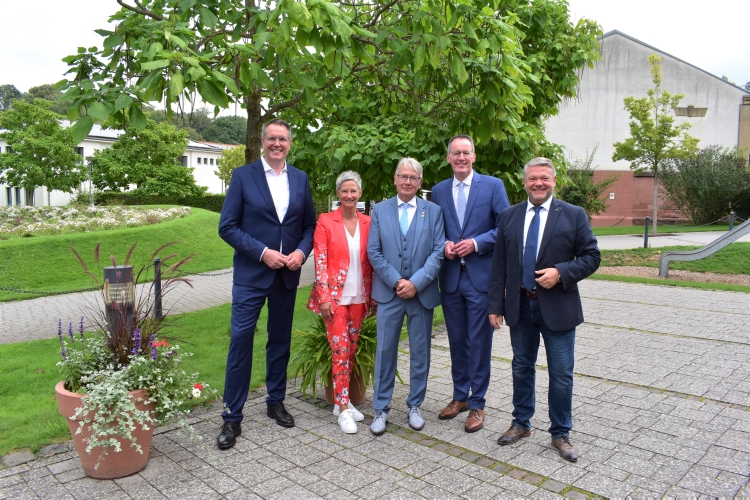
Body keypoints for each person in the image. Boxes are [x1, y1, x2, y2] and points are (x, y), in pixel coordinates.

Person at [487, 157, 600, 462]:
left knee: (561, 374)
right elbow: (499, 265)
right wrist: (495, 304)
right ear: (524, 182)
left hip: (558, 308)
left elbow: (592, 256)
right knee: (521, 367)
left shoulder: (573, 215)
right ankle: (521, 423)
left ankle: (560, 432)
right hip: (520, 306)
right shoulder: (509, 216)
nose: (538, 183)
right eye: (532, 178)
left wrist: (561, 272)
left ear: (553, 181)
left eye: (544, 178)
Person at [216, 118, 316, 450]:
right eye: (271, 138)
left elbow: (309, 227)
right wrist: (263, 253)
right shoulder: (243, 176)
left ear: (290, 142)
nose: (277, 144)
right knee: (241, 341)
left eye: (283, 139)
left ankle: (276, 401)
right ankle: (232, 418)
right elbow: (227, 227)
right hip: (251, 276)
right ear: (262, 141)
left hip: (287, 275)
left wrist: (302, 252)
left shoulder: (300, 179)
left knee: (280, 342)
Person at [430, 134, 510, 433]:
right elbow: (434, 230)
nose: (461, 158)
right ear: (448, 158)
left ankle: (478, 404)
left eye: (466, 153)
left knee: (480, 342)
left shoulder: (492, 186)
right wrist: (445, 245)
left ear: (474, 157)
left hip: (480, 279)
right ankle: (460, 397)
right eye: (455, 153)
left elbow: (505, 226)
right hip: (451, 279)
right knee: (456, 342)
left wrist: (476, 243)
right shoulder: (437, 191)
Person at [367, 157, 445, 435]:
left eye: (413, 178)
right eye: (403, 176)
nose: (408, 182)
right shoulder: (381, 210)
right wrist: (397, 280)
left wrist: (416, 282)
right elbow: (373, 251)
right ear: (395, 179)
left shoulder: (433, 211)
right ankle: (381, 408)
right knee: (385, 351)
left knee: (420, 353)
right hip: (389, 295)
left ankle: (414, 406)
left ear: (420, 182)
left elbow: (438, 252)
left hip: (421, 295)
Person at [307, 171, 375, 434]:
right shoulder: (325, 221)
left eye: (354, 191)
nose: (349, 195)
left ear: (360, 194)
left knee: (352, 351)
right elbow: (320, 261)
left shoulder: (369, 222)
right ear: (338, 193)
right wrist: (323, 296)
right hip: (334, 299)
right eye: (344, 191)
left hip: (360, 297)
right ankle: (344, 409)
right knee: (340, 352)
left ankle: (340, 402)